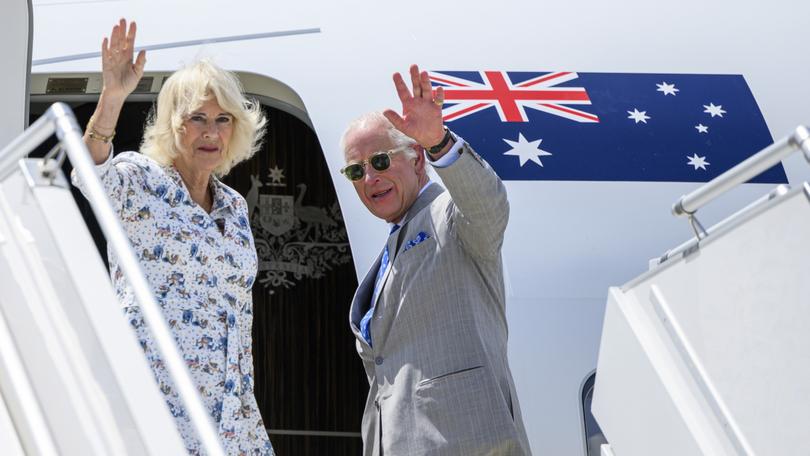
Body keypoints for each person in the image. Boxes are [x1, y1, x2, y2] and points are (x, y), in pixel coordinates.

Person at [71, 19, 274, 455]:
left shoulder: (235, 207)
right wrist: (112, 97)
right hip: (156, 411)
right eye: (197, 118)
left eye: (222, 119)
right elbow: (88, 171)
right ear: (172, 124)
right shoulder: (141, 181)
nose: (211, 131)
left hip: (232, 417)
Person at [340, 64, 532, 455]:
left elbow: (488, 207)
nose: (369, 179)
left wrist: (439, 142)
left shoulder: (448, 215)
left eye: (379, 162)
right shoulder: (392, 247)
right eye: (355, 170)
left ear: (416, 160)